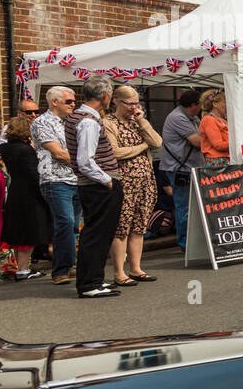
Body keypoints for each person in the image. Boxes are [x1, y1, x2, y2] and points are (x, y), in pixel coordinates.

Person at [64, 76, 124, 298]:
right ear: (105, 95)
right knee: (97, 233)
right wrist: (107, 180)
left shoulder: (79, 116)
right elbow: (85, 161)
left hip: (93, 184)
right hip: (98, 184)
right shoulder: (88, 121)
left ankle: (94, 279)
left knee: (98, 232)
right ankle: (89, 284)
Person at [102, 85, 162, 286]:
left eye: (137, 103)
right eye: (130, 104)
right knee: (122, 228)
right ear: (117, 102)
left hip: (145, 180)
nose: (134, 107)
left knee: (139, 226)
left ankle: (136, 268)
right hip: (124, 182)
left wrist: (142, 120)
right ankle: (119, 272)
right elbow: (115, 152)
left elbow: (158, 142)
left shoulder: (137, 122)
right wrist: (143, 146)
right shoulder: (108, 123)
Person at [30, 86, 81, 285]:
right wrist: (84, 162)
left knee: (74, 226)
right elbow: (58, 153)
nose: (73, 104)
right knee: (65, 223)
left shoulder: (71, 122)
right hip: (55, 179)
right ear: (54, 102)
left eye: (74, 101)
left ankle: (69, 265)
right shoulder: (41, 123)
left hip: (76, 178)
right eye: (69, 101)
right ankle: (60, 270)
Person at [0, 116, 53, 281]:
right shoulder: (26, 150)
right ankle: (23, 269)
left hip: (15, 189)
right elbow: (32, 175)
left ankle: (21, 267)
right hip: (29, 194)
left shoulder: (5, 149)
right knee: (29, 231)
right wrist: (44, 193)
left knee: (18, 230)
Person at [160, 89, 203, 251]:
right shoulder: (177, 117)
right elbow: (198, 142)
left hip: (191, 167)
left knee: (193, 206)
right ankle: (185, 243)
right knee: (184, 206)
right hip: (180, 169)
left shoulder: (193, 117)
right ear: (193, 105)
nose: (201, 107)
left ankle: (193, 240)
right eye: (200, 104)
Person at [199, 88, 232, 167]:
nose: (227, 105)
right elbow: (218, 145)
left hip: (224, 161)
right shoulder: (209, 120)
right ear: (215, 104)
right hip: (217, 163)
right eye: (225, 102)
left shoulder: (222, 120)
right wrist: (237, 142)